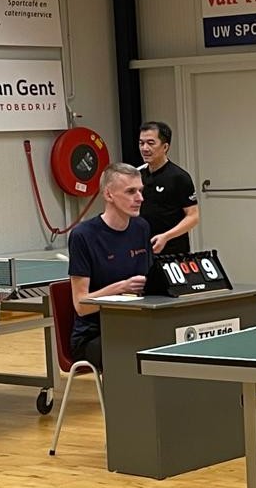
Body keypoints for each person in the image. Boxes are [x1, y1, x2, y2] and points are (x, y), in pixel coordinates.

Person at [67, 162, 152, 369]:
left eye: (140, 191)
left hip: (135, 326)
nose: (140, 198)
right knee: (134, 353)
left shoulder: (141, 227)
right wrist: (121, 287)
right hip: (94, 335)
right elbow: (81, 305)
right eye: (131, 192)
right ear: (108, 195)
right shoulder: (83, 235)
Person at [137, 121, 199, 256]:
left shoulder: (179, 177)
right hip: (142, 248)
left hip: (172, 250)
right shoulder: (137, 175)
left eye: (151, 143)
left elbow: (193, 216)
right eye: (141, 143)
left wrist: (166, 236)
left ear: (165, 147)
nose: (145, 148)